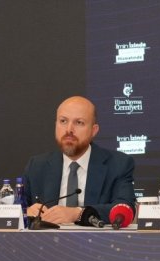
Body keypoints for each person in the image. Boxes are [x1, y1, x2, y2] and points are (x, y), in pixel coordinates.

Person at [23, 96, 136, 225]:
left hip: (97, 242)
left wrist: (78, 213)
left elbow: (125, 208)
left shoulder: (118, 164)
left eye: (79, 122)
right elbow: (14, 209)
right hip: (45, 243)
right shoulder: (37, 165)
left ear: (93, 131)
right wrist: (26, 211)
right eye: (63, 121)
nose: (69, 129)